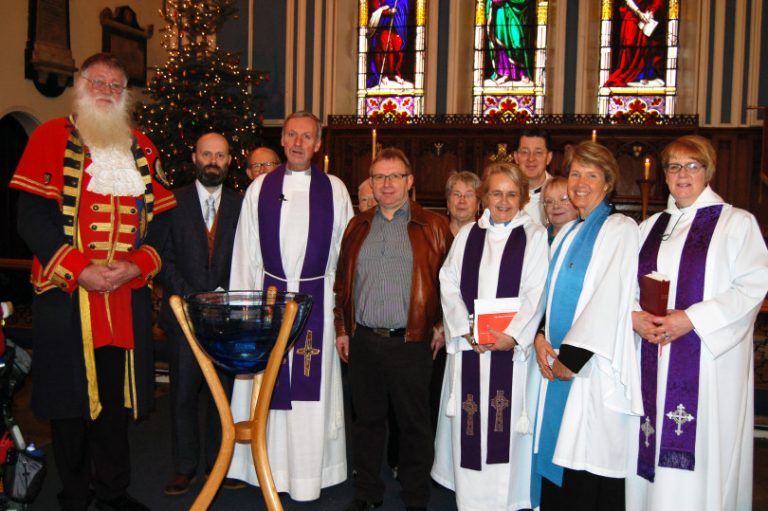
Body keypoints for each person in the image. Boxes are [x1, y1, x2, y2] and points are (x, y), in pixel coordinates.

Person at [9, 52, 176, 511]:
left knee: (116, 404)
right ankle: (75, 495)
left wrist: (138, 264)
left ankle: (114, 492)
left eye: (116, 84)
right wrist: (79, 268)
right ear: (80, 85)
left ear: (125, 95)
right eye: (98, 81)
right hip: (68, 298)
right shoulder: (49, 137)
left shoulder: (142, 146)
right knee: (70, 407)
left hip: (124, 297)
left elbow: (162, 223)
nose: (106, 89)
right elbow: (32, 217)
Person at [626, 135, 768, 511]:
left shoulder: (736, 223)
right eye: (673, 166)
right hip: (651, 357)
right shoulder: (651, 227)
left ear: (708, 171)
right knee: (649, 449)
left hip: (706, 363)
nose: (682, 174)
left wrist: (690, 319)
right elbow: (622, 285)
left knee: (702, 454)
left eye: (692, 165)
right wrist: (635, 318)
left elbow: (754, 286)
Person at [228, 111, 354, 501]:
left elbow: (344, 256)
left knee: (310, 395)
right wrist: (243, 313)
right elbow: (245, 254)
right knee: (270, 385)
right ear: (282, 140)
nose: (298, 143)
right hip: (269, 298)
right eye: (291, 135)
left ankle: (308, 474)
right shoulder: (260, 188)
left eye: (307, 137)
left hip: (318, 300)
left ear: (318, 144)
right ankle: (267, 469)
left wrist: (340, 317)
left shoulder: (335, 189)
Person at [334, 147, 452, 511]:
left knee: (414, 426)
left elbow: (451, 284)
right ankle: (367, 492)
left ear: (409, 181)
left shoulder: (432, 226)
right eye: (379, 177)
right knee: (366, 424)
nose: (386, 184)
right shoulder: (357, 225)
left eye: (394, 176)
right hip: (364, 340)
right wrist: (342, 327)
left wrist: (441, 324)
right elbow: (342, 283)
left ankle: (415, 497)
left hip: (411, 342)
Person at [531, 141, 643, 510]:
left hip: (592, 368)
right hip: (561, 360)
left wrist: (573, 357)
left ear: (607, 182)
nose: (580, 182)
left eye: (591, 175)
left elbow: (610, 296)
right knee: (560, 454)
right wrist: (541, 335)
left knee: (588, 460)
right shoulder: (568, 234)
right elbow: (547, 292)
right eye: (575, 173)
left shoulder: (620, 229)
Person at [432, 162, 548, 510]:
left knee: (502, 424)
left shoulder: (535, 236)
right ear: (485, 196)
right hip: (471, 348)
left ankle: (506, 500)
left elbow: (536, 291)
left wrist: (512, 335)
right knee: (470, 421)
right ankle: (469, 499)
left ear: (523, 198)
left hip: (508, 354)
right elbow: (448, 281)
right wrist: (465, 329)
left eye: (512, 194)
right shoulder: (469, 234)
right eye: (496, 192)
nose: (503, 200)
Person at [158, 132, 244, 496]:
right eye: (207, 154)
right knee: (183, 394)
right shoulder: (171, 203)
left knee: (221, 394)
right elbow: (161, 257)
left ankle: (219, 464)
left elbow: (249, 255)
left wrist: (226, 293)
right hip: (184, 316)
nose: (213, 161)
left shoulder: (243, 204)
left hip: (226, 317)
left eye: (220, 155)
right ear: (194, 157)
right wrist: (193, 295)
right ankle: (185, 467)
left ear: (228, 161)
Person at [603, 0, 665, 87]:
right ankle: (631, 76)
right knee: (629, 44)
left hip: (648, 18)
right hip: (632, 15)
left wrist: (652, 11)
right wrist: (638, 13)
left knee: (647, 47)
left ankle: (646, 76)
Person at [485, 0, 533, 85]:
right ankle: (506, 73)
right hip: (501, 11)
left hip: (516, 12)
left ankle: (522, 73)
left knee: (518, 42)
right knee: (501, 41)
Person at [514, 129, 553, 225]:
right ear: (516, 157)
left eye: (538, 152)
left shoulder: (562, 193)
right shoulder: (505, 194)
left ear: (548, 157)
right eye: (524, 152)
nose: (531, 158)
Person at [368, 0, 410, 87]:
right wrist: (387, 11)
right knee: (385, 50)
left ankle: (395, 74)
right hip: (384, 27)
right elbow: (375, 7)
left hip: (397, 28)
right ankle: (384, 75)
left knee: (398, 51)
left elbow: (404, 6)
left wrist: (397, 9)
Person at [541, 176, 579, 244]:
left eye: (563, 199)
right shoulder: (538, 239)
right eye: (549, 201)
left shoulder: (585, 237)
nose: (556, 206)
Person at [445, 171, 481, 236]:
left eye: (468, 195)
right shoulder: (437, 235)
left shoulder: (487, 238)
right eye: (457, 194)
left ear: (478, 204)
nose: (462, 201)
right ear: (448, 202)